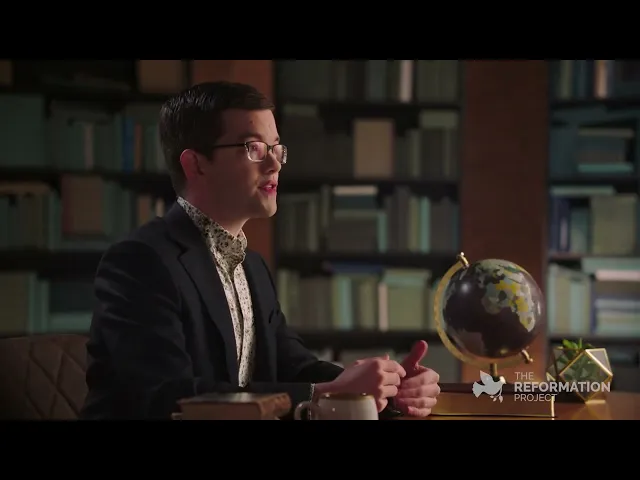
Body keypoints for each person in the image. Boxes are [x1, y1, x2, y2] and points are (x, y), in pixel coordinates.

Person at [80, 81, 441, 420]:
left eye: (276, 148)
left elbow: (293, 366)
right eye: (253, 148)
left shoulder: (251, 265)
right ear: (195, 164)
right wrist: (326, 394)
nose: (274, 164)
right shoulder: (139, 261)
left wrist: (384, 388)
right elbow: (169, 396)